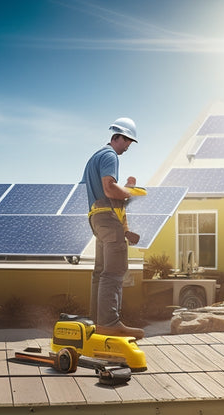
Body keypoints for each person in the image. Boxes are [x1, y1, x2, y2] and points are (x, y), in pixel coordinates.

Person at [81, 117, 144, 339]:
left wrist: (125, 230)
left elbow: (102, 193)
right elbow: (109, 189)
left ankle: (97, 323)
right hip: (108, 219)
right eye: (127, 141)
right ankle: (109, 322)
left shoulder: (94, 158)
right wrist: (129, 192)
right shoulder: (109, 156)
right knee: (115, 272)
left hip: (97, 220)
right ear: (118, 138)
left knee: (100, 273)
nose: (128, 146)